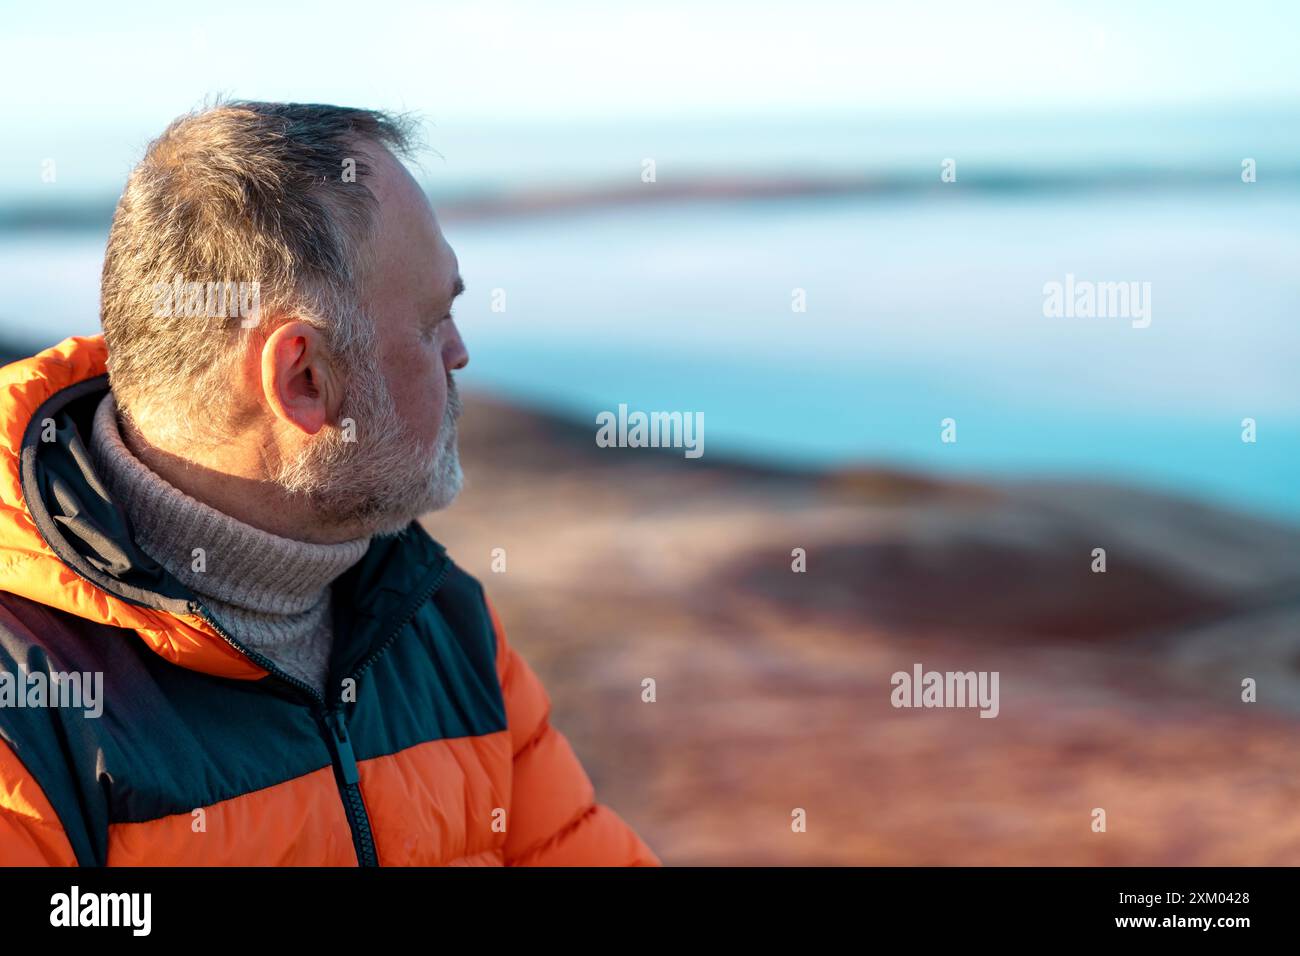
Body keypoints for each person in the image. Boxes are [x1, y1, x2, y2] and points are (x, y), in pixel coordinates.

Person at [0, 101, 660, 866]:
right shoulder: (28, 712)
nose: (460, 353)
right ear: (305, 379)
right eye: (432, 320)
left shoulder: (435, 614)